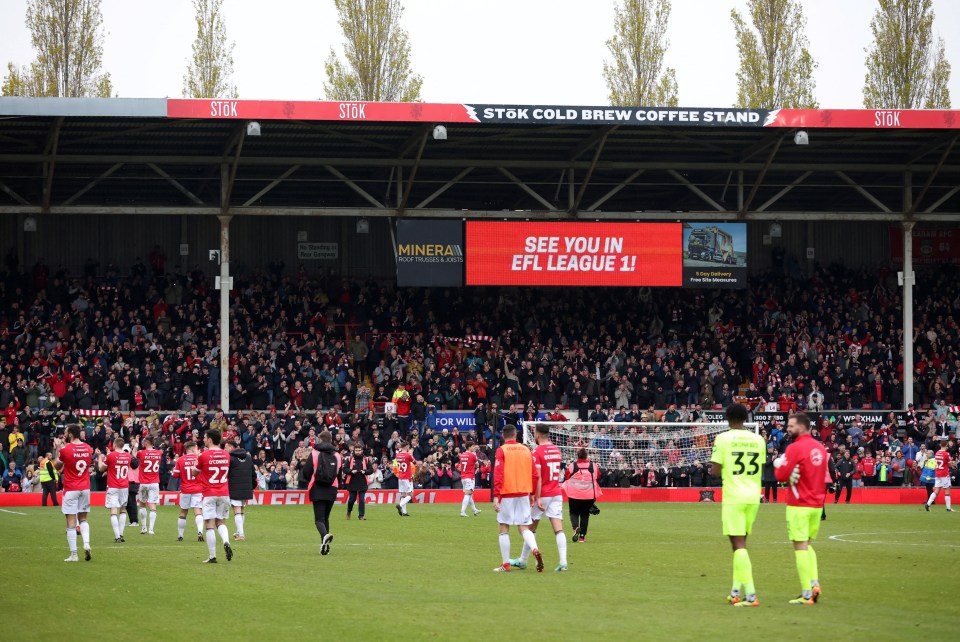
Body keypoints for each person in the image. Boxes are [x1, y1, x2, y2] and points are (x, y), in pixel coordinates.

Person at [709, 402, 766, 607]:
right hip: (753, 496)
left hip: (734, 496)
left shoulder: (723, 438)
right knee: (741, 544)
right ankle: (735, 591)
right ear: (745, 419)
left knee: (738, 545)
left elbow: (715, 472)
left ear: (727, 418)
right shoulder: (758, 439)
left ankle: (750, 595)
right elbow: (759, 465)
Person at [774, 412, 828, 605]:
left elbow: (781, 475)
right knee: (808, 544)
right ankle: (814, 583)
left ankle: (807, 593)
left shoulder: (795, 448)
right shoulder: (820, 448)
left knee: (800, 547)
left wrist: (778, 463)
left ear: (802, 427)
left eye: (791, 426)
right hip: (816, 505)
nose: (788, 429)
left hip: (799, 504)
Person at [512, 424, 568, 572]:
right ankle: (563, 562)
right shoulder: (556, 450)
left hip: (543, 494)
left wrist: (536, 498)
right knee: (558, 529)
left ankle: (523, 560)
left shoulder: (537, 452)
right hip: (556, 492)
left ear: (536, 435)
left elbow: (538, 476)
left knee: (528, 527)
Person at [492, 424, 542, 572]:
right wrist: (532, 494)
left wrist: (496, 496)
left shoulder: (502, 450)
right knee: (524, 526)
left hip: (507, 493)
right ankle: (534, 549)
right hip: (523, 493)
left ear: (503, 436)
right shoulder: (526, 450)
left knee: (503, 527)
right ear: (516, 436)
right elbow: (534, 474)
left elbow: (498, 473)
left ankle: (506, 564)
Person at [192, 429, 233, 564]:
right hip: (224, 493)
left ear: (209, 439)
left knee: (209, 525)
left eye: (204, 437)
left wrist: (197, 458)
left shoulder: (204, 455)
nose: (203, 439)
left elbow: (194, 473)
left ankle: (212, 556)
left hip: (209, 493)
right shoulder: (226, 455)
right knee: (220, 521)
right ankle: (226, 540)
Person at [55, 425, 93, 562]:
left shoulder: (66, 450)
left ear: (70, 434)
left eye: (66, 433)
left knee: (70, 522)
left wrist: (58, 450)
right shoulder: (89, 448)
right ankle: (87, 543)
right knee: (83, 518)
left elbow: (57, 467)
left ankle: (74, 554)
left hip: (71, 488)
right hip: (85, 487)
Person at [301, 430, 343, 555]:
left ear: (320, 439)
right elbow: (339, 474)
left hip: (317, 487)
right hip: (332, 488)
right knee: (326, 518)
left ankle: (325, 536)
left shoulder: (314, 452)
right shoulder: (337, 455)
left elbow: (306, 471)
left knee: (319, 519)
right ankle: (325, 547)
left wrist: (312, 479)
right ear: (331, 440)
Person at [563, 448, 602, 544]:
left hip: (574, 494)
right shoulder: (593, 466)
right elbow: (598, 476)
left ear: (577, 456)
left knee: (573, 513)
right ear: (586, 455)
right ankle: (582, 537)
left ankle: (576, 527)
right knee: (585, 515)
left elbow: (566, 476)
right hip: (588, 495)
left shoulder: (573, 466)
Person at [98, 438, 131, 543]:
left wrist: (99, 457)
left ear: (115, 445)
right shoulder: (128, 456)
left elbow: (101, 469)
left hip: (113, 486)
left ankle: (117, 536)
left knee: (113, 510)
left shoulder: (110, 456)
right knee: (123, 509)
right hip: (124, 486)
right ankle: (121, 534)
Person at [172, 441, 204, 542]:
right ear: (193, 448)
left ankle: (180, 535)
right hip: (198, 489)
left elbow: (175, 475)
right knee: (198, 511)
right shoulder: (199, 459)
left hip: (185, 489)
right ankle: (200, 531)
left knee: (183, 512)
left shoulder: (180, 460)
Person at [226, 440, 257, 539]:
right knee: (241, 510)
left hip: (234, 488)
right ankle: (239, 532)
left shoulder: (231, 458)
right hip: (246, 488)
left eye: (226, 447)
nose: (224, 449)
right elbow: (253, 474)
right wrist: (252, 486)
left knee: (237, 511)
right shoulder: (248, 457)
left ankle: (241, 534)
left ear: (231, 447)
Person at [136, 435, 163, 535]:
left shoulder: (141, 453)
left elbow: (134, 456)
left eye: (143, 441)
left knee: (142, 504)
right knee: (153, 505)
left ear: (147, 442)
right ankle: (151, 529)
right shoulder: (158, 453)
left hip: (144, 483)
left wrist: (135, 444)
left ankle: (143, 527)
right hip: (154, 483)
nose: (142, 443)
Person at [343, 443, 372, 521]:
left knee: (362, 500)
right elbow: (344, 469)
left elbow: (371, 470)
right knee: (351, 499)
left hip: (362, 482)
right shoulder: (349, 459)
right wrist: (351, 471)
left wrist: (365, 472)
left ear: (362, 451)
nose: (358, 452)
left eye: (359, 450)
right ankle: (349, 511)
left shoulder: (366, 459)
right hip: (352, 482)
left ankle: (361, 515)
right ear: (354, 451)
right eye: (356, 450)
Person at [924, 440, 956, 512]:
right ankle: (948, 508)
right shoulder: (946, 454)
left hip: (938, 473)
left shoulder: (937, 453)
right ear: (947, 445)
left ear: (940, 445)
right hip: (944, 474)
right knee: (947, 491)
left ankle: (928, 504)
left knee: (937, 490)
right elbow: (949, 464)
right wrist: (951, 463)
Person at [457, 441, 482, 517]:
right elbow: (477, 465)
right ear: (469, 447)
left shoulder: (462, 455)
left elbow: (460, 466)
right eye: (473, 446)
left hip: (463, 477)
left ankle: (474, 510)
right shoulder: (472, 455)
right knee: (468, 494)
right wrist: (475, 463)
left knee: (469, 494)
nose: (474, 447)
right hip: (470, 477)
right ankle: (462, 512)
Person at [394, 441, 415, 517]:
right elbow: (415, 462)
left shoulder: (397, 455)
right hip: (407, 477)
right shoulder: (408, 455)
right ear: (406, 447)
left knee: (403, 494)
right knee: (410, 495)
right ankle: (400, 504)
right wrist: (411, 454)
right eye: (408, 446)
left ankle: (404, 512)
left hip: (400, 477)